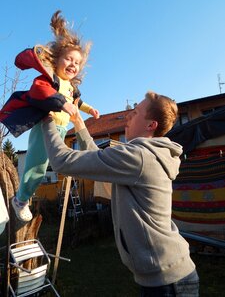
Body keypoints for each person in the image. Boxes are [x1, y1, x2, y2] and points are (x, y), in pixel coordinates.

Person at [42, 91, 199, 296]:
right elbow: (95, 156)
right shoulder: (145, 155)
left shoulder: (138, 157)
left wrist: (46, 119)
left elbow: (61, 161)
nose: (128, 116)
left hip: (168, 281)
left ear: (151, 125)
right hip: (170, 273)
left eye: (135, 113)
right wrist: (78, 119)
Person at [0, 10, 99, 222]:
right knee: (37, 164)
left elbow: (76, 102)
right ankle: (21, 200)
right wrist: (62, 103)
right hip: (47, 126)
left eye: (77, 63)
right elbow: (40, 92)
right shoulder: (49, 79)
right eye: (68, 59)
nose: (73, 65)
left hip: (61, 131)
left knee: (50, 164)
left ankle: (24, 197)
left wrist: (89, 110)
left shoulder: (70, 87)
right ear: (56, 60)